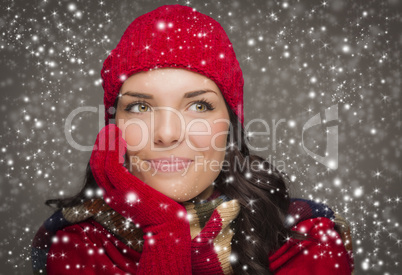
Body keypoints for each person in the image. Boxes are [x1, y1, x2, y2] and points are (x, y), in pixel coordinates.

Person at [31, 4, 354, 275]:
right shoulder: (75, 247)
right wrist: (165, 233)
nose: (167, 133)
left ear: (230, 125)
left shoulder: (310, 241)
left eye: (199, 106)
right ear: (113, 129)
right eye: (140, 107)